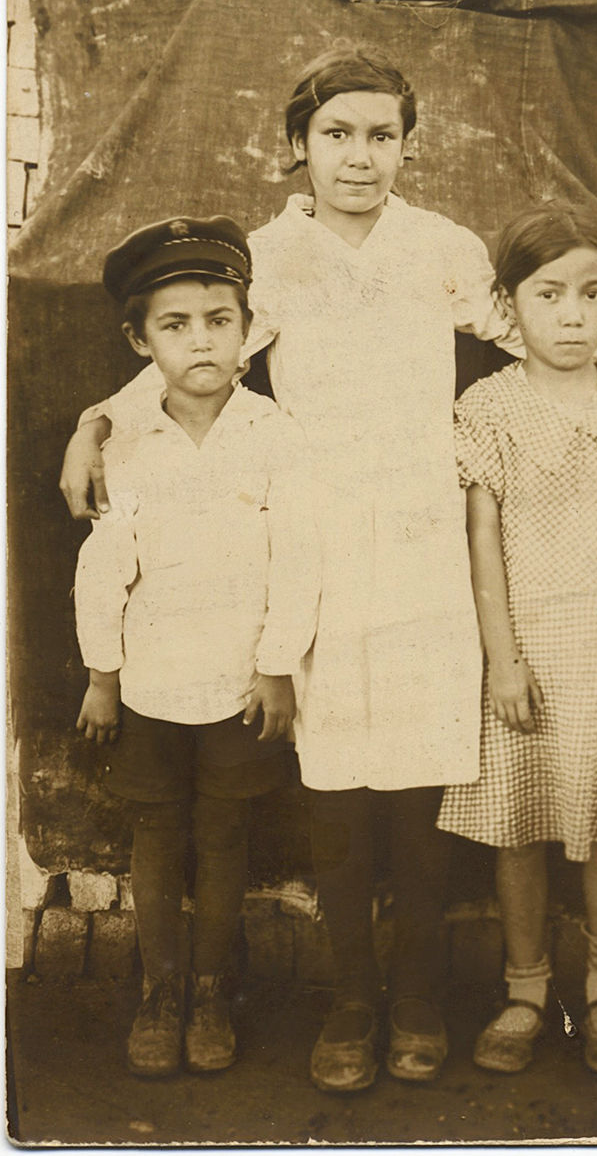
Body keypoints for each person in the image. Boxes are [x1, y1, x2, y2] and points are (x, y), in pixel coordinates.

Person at [59, 46, 597, 1093]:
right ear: (296, 146)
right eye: (336, 135)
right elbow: (193, 354)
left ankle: (419, 1006)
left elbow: (526, 321)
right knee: (338, 802)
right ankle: (350, 1005)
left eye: (381, 135)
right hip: (316, 558)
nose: (359, 157)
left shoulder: (437, 246)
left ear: (407, 145)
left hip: (424, 556)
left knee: (418, 796)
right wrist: (96, 424)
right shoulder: (266, 257)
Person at [436, 200, 597, 1079]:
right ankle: (524, 989)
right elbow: (481, 539)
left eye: (594, 293)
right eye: (550, 294)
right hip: (532, 655)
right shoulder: (488, 407)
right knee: (521, 827)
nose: (575, 314)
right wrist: (502, 657)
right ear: (510, 307)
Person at [74, 216, 320, 1079]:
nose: (202, 341)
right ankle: (160, 987)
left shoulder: (275, 435)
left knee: (222, 835)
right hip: (148, 687)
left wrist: (277, 663)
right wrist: (104, 674)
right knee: (155, 830)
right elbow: (103, 567)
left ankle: (213, 986)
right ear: (142, 340)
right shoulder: (128, 446)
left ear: (248, 328)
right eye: (175, 326)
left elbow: (300, 557)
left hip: (238, 687)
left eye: (220, 318)